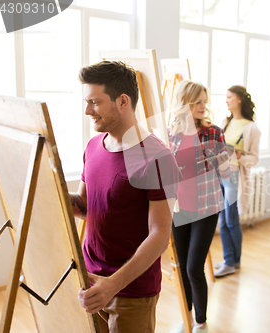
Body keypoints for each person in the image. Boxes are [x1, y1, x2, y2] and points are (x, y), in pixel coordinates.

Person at [71, 61, 182, 333]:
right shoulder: (93, 146)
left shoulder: (157, 157)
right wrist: (49, 189)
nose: (87, 111)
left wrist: (113, 284)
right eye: (86, 102)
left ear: (122, 101)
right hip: (91, 280)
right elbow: (86, 207)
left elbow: (159, 235)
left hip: (131, 291)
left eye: (94, 102)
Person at [167, 80, 231, 333]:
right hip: (179, 208)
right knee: (181, 267)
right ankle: (187, 316)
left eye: (205, 101)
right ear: (185, 104)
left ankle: (201, 322)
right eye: (198, 102)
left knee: (194, 266)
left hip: (206, 207)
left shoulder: (213, 132)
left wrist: (218, 159)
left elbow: (225, 172)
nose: (204, 106)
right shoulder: (171, 133)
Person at [213, 85, 261, 277]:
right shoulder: (226, 121)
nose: (226, 100)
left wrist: (240, 156)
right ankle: (229, 259)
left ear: (239, 99)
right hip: (220, 175)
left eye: (229, 97)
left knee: (230, 220)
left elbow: (255, 159)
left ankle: (233, 261)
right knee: (222, 220)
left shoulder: (251, 128)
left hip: (234, 178)